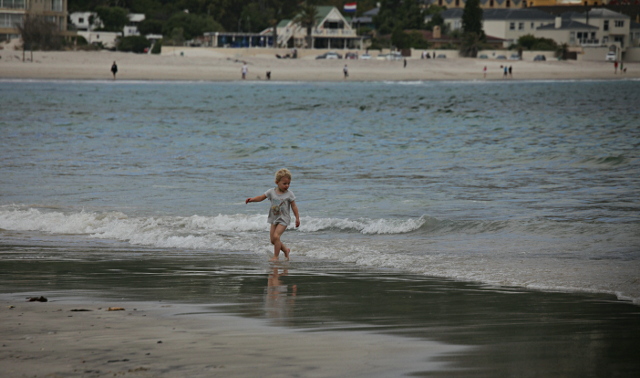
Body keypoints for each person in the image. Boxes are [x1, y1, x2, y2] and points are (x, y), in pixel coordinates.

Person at [246, 168, 300, 261]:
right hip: (273, 218)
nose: (287, 186)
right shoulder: (271, 192)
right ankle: (286, 250)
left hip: (284, 219)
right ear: (277, 182)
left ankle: (276, 256)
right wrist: (252, 200)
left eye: (288, 183)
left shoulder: (289, 194)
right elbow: (261, 197)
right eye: (284, 183)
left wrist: (297, 218)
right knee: (273, 240)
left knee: (276, 237)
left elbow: (294, 206)